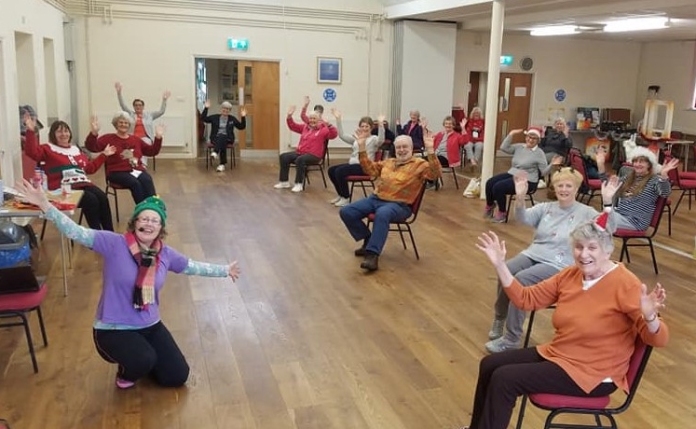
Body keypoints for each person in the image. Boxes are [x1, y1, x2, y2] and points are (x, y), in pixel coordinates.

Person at [14, 181, 241, 389]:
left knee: (177, 376)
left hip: (150, 325)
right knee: (143, 359)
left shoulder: (166, 254)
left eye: (155, 220)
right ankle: (127, 372)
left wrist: (224, 271)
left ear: (161, 228)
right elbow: (76, 232)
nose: (149, 224)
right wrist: (46, 206)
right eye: (144, 218)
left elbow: (192, 266)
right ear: (135, 223)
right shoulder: (114, 243)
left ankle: (146, 359)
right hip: (112, 329)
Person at [465, 219, 669, 429]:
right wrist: (500, 265)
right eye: (579, 247)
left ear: (607, 251)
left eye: (592, 248)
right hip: (561, 355)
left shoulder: (626, 284)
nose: (583, 254)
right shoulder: (571, 274)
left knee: (504, 379)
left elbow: (658, 339)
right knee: (489, 364)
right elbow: (526, 299)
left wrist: (650, 317)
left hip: (594, 373)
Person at [485, 169, 620, 353]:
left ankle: (511, 339)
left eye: (568, 186)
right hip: (534, 253)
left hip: (559, 264)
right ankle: (500, 317)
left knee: (520, 279)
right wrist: (520, 196)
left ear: (576, 188)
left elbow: (609, 228)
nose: (564, 189)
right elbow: (522, 218)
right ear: (554, 187)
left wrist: (607, 202)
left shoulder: (586, 212)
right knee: (506, 269)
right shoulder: (546, 207)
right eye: (560, 185)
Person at [339, 129, 441, 271]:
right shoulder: (389, 162)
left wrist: (430, 150)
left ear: (411, 149)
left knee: (383, 213)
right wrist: (361, 147)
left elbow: (435, 174)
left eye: (405, 147)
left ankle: (372, 255)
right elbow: (370, 170)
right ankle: (369, 239)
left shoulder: (420, 165)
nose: (401, 150)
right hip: (376, 199)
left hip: (400, 205)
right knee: (347, 211)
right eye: (398, 147)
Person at [23, 115, 116, 231]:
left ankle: (110, 234)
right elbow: (31, 152)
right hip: (61, 189)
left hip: (82, 184)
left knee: (102, 197)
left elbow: (90, 169)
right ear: (53, 135)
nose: (63, 134)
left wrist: (104, 155)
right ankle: (95, 236)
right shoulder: (47, 149)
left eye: (66, 131)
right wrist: (31, 131)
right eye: (59, 132)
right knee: (91, 200)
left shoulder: (76, 150)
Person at [484, 127, 564, 223]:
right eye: (529, 137)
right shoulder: (519, 147)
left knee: (498, 187)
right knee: (490, 183)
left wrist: (552, 164)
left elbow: (544, 172)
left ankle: (502, 213)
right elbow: (503, 147)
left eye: (534, 138)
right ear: (526, 137)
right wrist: (511, 134)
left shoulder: (539, 153)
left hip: (528, 180)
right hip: (513, 173)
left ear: (538, 141)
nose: (530, 140)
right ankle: (490, 205)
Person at [85, 112, 162, 204]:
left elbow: (152, 151)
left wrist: (158, 138)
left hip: (136, 170)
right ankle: (142, 210)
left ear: (129, 125)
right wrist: (94, 133)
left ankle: (154, 208)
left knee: (147, 179)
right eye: (120, 122)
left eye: (126, 123)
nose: (123, 125)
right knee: (134, 183)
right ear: (116, 124)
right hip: (116, 172)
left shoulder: (135, 139)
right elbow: (92, 147)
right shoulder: (108, 138)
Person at [597, 146, 676, 230]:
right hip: (619, 215)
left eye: (641, 162)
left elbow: (665, 193)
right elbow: (607, 186)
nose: (637, 164)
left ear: (649, 164)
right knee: (592, 217)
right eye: (635, 161)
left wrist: (663, 175)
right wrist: (600, 165)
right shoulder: (629, 177)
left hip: (635, 222)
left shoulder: (655, 180)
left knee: (598, 220)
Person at [327, 109, 384, 207]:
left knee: (340, 171)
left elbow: (381, 140)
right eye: (362, 126)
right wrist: (338, 119)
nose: (364, 128)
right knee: (331, 170)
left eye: (367, 126)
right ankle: (341, 195)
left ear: (371, 128)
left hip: (365, 167)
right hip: (353, 164)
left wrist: (381, 124)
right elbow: (342, 135)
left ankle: (346, 197)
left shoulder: (374, 139)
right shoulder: (356, 138)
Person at [274, 106, 335, 193]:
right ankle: (284, 182)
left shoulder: (323, 129)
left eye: (314, 119)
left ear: (319, 120)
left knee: (300, 160)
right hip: (301, 153)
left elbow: (333, 135)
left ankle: (299, 184)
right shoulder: (305, 127)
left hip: (314, 156)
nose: (312, 120)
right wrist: (289, 117)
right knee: (284, 156)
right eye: (310, 118)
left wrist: (329, 125)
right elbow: (293, 126)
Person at [114, 82, 170, 167]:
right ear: (134, 107)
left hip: (145, 138)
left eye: (140, 105)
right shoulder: (130, 114)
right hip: (132, 137)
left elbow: (161, 112)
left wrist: (164, 100)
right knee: (130, 145)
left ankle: (142, 165)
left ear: (143, 107)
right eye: (136, 105)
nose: (138, 107)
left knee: (143, 145)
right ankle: (130, 164)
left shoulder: (149, 115)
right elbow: (123, 105)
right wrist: (119, 93)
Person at [200, 100, 246, 172]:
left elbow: (242, 127)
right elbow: (203, 119)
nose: (225, 110)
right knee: (222, 140)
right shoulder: (215, 117)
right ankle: (222, 164)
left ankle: (215, 152)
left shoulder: (232, 119)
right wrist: (206, 108)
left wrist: (243, 117)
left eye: (227, 109)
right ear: (221, 109)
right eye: (224, 108)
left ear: (229, 111)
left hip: (229, 139)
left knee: (223, 136)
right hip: (215, 138)